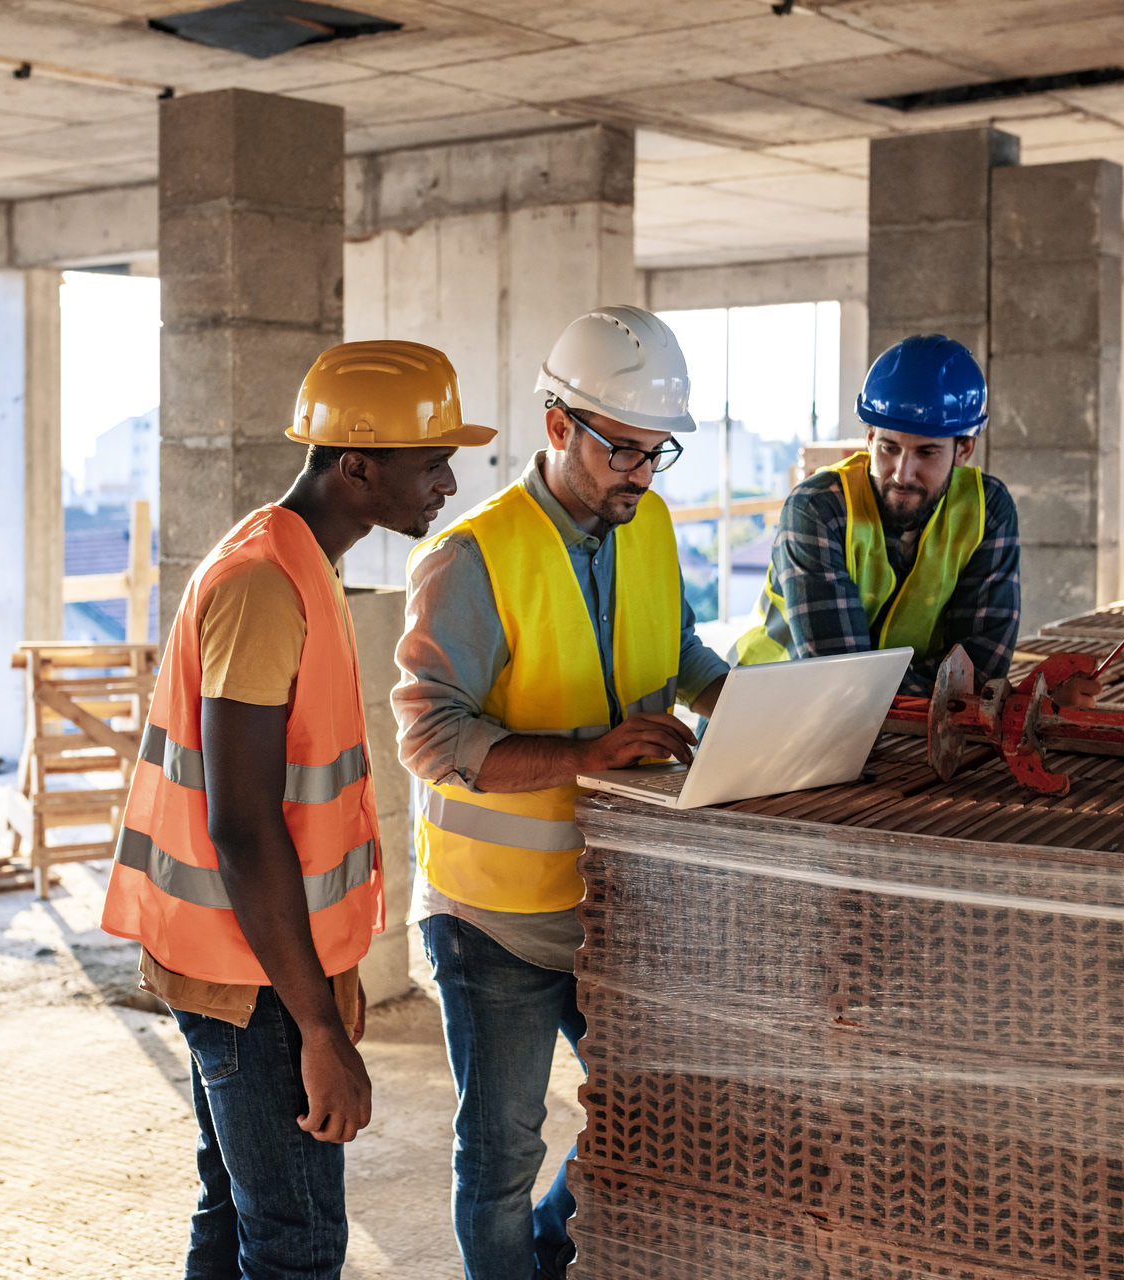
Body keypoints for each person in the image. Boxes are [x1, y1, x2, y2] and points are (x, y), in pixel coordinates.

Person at [102, 340, 492, 1280]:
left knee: (240, 1215)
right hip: (253, 980)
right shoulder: (264, 585)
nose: (446, 482)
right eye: (430, 460)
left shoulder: (298, 559)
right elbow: (241, 825)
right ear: (356, 463)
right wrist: (318, 1029)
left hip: (251, 959)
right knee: (298, 1241)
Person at [393, 304, 729, 1280]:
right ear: (557, 427)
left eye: (655, 451)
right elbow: (428, 732)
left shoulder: (652, 523)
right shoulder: (471, 558)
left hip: (618, 902)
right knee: (500, 1154)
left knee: (647, 1109)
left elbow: (681, 652)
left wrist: (749, 704)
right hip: (493, 915)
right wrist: (586, 753)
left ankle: (544, 1256)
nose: (639, 471)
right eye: (621, 448)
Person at [733, 333, 1098, 707]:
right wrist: (951, 694)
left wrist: (960, 694)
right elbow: (840, 682)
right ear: (870, 438)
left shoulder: (987, 509)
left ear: (965, 449)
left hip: (884, 731)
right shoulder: (817, 509)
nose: (902, 474)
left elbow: (979, 670)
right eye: (888, 448)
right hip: (762, 715)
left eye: (926, 452)